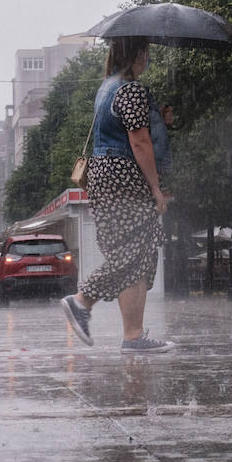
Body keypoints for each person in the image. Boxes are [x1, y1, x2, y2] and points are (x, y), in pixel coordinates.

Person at [60, 36, 174, 353]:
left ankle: (133, 336)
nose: (149, 58)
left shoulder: (108, 87)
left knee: (135, 253)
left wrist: (160, 122)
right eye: (147, 52)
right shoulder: (130, 89)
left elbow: (132, 129)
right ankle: (81, 300)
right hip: (124, 177)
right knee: (134, 251)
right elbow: (139, 142)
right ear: (139, 54)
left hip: (104, 176)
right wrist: (155, 187)